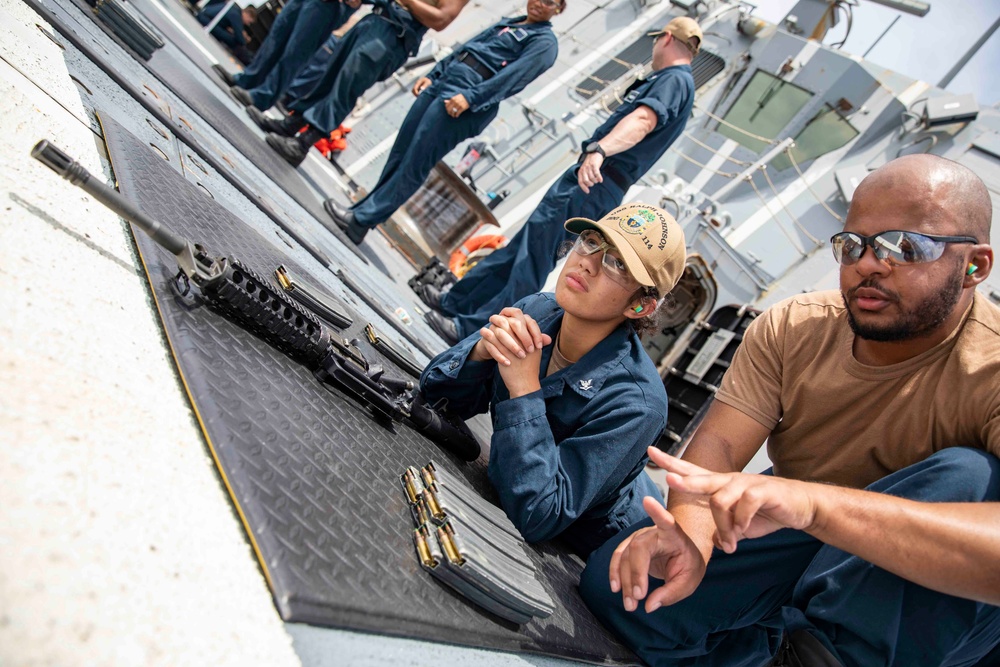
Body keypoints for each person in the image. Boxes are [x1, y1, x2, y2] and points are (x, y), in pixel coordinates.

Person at [579, 154, 1000, 666]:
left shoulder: (991, 368)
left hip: (925, 592)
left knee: (972, 477)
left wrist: (816, 506)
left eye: (905, 246)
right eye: (853, 245)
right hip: (795, 534)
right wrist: (690, 535)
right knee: (627, 587)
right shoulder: (795, 328)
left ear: (974, 266)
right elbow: (722, 445)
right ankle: (767, 649)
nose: (868, 263)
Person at [419, 203, 687, 557]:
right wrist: (479, 353)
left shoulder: (638, 404)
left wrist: (524, 390)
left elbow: (539, 514)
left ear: (640, 306)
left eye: (618, 264)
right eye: (591, 241)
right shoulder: (538, 311)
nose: (587, 262)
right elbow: (435, 397)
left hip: (607, 545)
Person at [421, 16, 702, 344]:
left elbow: (642, 119)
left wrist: (599, 150)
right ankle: (456, 303)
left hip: (595, 177)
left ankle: (474, 329)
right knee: (521, 248)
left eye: (657, 40)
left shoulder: (674, 80)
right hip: (592, 177)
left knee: (533, 258)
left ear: (666, 38)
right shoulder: (676, 81)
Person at [323, 0, 563, 245]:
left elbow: (512, 79)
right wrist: (434, 74)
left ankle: (362, 219)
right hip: (446, 81)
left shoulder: (544, 43)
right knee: (401, 153)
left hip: (465, 96)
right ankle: (359, 215)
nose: (539, 3)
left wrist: (470, 98)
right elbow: (467, 47)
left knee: (415, 162)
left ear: (559, 9)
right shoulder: (510, 23)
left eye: (550, 2)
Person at [263, 0, 470, 167]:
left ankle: (302, 145)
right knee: (329, 76)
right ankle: (291, 124)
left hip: (394, 33)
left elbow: (442, 20)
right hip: (376, 19)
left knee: (346, 87)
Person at [219, 0, 360, 112]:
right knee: (276, 37)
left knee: (295, 53)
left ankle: (263, 96)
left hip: (330, 5)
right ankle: (248, 80)